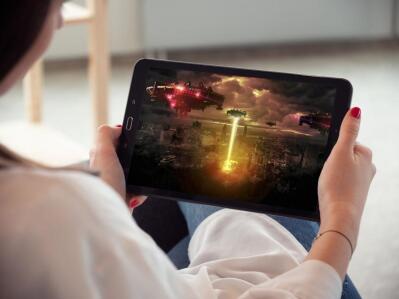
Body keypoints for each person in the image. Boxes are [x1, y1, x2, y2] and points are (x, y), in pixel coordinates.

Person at [0, 1, 376, 298]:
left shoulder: (48, 207)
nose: (61, 21)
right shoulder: (48, 213)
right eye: (57, 4)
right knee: (250, 203)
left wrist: (107, 201)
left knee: (201, 184)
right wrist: (343, 219)